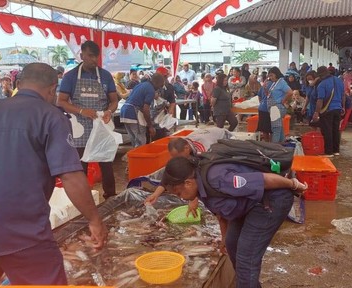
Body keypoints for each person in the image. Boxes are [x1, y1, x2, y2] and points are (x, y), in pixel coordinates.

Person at [0, 63, 108, 285]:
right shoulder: (50, 116)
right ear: (52, 89)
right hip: (23, 233)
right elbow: (71, 176)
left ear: (18, 84)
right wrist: (94, 219)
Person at [160, 156, 307, 288]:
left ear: (188, 182)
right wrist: (224, 237)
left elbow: (264, 180)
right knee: (232, 244)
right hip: (248, 205)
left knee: (246, 257)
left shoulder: (217, 179)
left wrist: (293, 185)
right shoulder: (201, 188)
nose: (181, 198)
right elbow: (221, 214)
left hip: (270, 202)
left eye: (179, 193)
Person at [57, 40, 119, 199]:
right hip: (81, 128)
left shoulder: (105, 75)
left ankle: (110, 196)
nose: (94, 60)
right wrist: (81, 110)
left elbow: (114, 100)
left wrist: (109, 112)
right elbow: (61, 101)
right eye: (90, 56)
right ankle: (82, 199)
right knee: (80, 166)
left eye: (96, 57)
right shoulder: (70, 77)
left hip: (101, 126)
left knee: (106, 164)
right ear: (81, 55)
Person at [119, 73, 165, 147]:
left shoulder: (142, 84)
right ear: (157, 83)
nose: (160, 88)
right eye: (161, 85)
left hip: (124, 111)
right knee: (140, 140)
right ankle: (140, 157)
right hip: (133, 112)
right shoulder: (150, 89)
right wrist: (150, 126)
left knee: (134, 140)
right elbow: (146, 109)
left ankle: (134, 156)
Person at [312, 66, 343, 157]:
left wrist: (316, 112)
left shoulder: (322, 84)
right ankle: (336, 150)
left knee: (327, 130)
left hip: (328, 110)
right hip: (338, 108)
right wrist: (343, 107)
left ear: (320, 75)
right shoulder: (339, 81)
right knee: (335, 130)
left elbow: (320, 100)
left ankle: (328, 152)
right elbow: (343, 95)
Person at [259, 67, 292, 142]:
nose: (270, 78)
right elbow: (268, 95)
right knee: (280, 127)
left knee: (276, 128)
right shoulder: (274, 83)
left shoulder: (281, 82)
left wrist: (283, 100)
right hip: (273, 107)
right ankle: (282, 144)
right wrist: (264, 88)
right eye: (269, 76)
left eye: (271, 75)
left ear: (276, 74)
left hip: (276, 108)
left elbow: (290, 92)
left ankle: (274, 147)